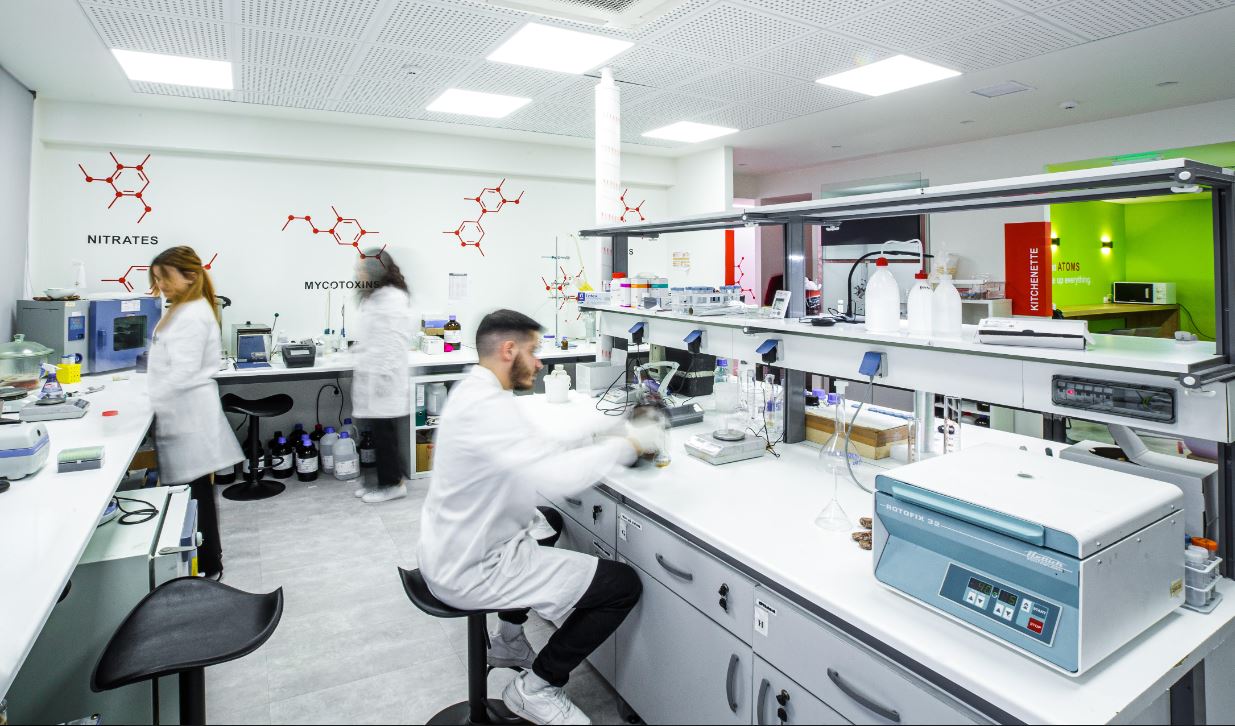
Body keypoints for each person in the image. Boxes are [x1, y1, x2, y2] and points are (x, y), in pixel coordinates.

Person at [419, 309, 661, 725]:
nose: (539, 362)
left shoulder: (477, 391)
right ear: (508, 349)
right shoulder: (489, 408)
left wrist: (608, 427)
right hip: (472, 569)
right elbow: (558, 475)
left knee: (547, 519)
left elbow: (537, 443)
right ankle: (537, 687)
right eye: (532, 351)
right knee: (621, 585)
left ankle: (510, 639)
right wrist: (629, 446)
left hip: (449, 546)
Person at [147, 246, 243, 579]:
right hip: (180, 415)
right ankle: (201, 562)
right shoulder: (182, 309)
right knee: (191, 495)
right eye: (157, 278)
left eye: (165, 277)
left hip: (187, 416)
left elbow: (183, 372)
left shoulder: (193, 314)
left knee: (195, 496)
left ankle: (209, 566)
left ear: (189, 276)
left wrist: (148, 398)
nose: (161, 285)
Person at [351, 248, 414, 503]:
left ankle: (393, 484)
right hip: (374, 377)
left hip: (385, 381)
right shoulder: (376, 298)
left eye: (362, 269)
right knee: (376, 434)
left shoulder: (392, 299)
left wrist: (382, 378)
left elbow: (393, 342)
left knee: (385, 435)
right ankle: (379, 482)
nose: (358, 273)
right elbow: (372, 338)